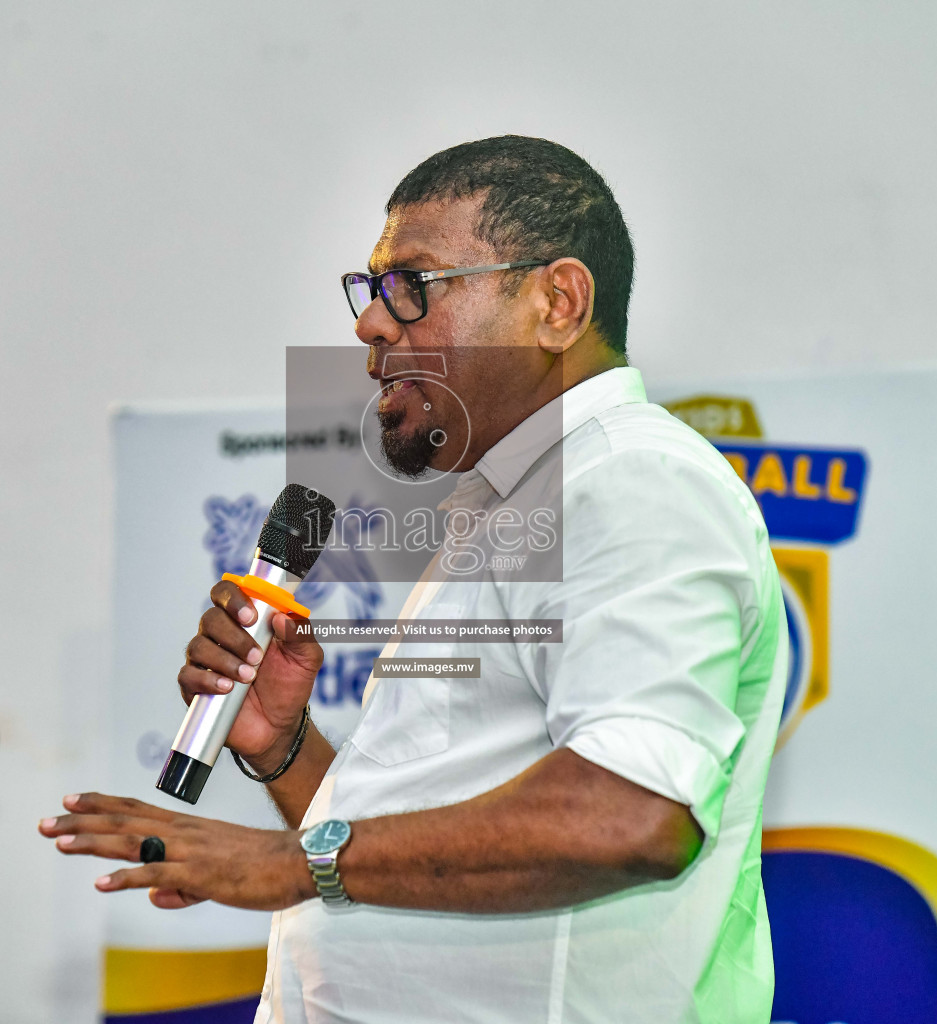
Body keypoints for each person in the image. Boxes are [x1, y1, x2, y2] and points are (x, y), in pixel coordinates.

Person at [39, 136, 789, 1023]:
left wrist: (282, 864)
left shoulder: (631, 480)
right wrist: (284, 747)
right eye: (370, 290)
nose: (369, 326)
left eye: (413, 287)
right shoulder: (509, 506)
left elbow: (632, 814)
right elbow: (416, 836)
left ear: (557, 302)